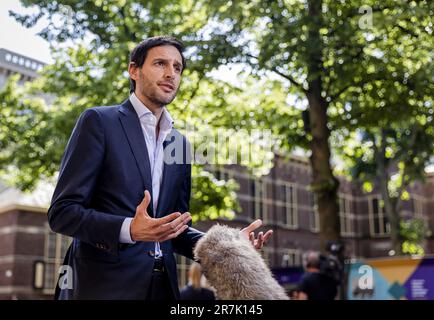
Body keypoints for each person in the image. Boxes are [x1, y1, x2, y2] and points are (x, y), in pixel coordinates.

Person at [48, 36, 273, 300]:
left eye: (177, 67)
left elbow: (175, 230)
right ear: (134, 70)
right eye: (160, 63)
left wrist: (229, 250)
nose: (171, 73)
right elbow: (62, 213)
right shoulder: (99, 122)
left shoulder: (179, 143)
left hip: (163, 288)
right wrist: (129, 229)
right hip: (104, 286)